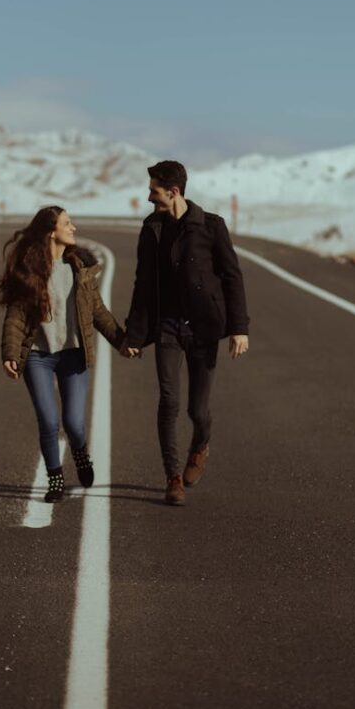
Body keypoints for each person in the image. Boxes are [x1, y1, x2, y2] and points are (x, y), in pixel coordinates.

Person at [124, 161, 250, 506]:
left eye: (154, 191)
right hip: (167, 326)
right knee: (169, 402)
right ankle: (173, 477)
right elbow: (144, 283)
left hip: (204, 327)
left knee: (198, 411)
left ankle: (201, 445)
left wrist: (239, 328)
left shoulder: (211, 227)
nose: (150, 197)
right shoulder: (152, 228)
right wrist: (135, 335)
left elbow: (232, 277)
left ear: (173, 191)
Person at [0, 205, 137, 503]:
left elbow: (97, 311)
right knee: (48, 421)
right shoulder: (30, 271)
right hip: (38, 356)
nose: (74, 228)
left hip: (73, 355)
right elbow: (16, 315)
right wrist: (10, 352)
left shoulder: (79, 268)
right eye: (67, 223)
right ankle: (55, 479)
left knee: (73, 423)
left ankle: (81, 454)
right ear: (51, 232)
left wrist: (122, 341)